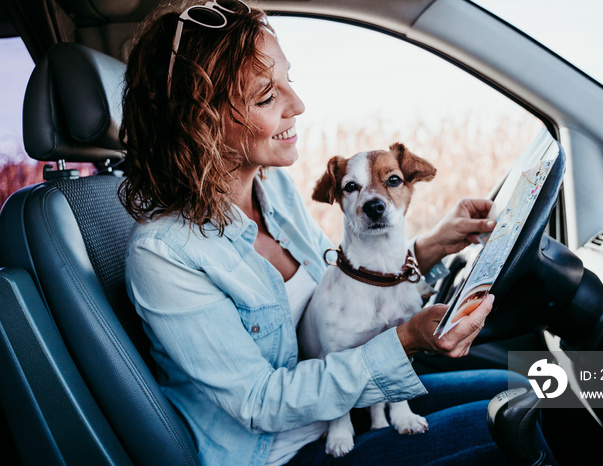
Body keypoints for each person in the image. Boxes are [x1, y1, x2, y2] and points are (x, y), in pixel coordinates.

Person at [120, 1, 534, 465]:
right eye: (266, 97)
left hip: (352, 405)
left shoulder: (271, 186)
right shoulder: (165, 254)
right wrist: (404, 341)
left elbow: (347, 282)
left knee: (526, 389)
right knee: (522, 427)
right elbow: (259, 402)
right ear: (202, 124)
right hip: (287, 450)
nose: (297, 105)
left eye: (288, 82)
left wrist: (436, 243)